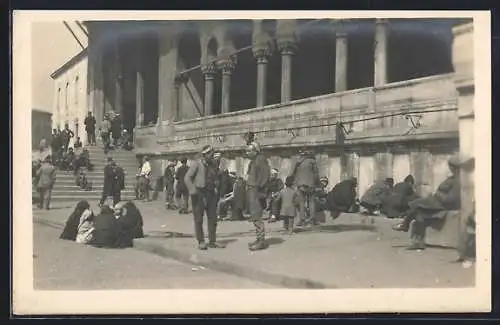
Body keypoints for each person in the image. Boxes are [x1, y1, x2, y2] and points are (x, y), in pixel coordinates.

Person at [392, 155, 462, 250]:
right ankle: (417, 242)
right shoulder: (453, 178)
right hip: (437, 204)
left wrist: (437, 195)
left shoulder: (458, 181)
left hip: (442, 207)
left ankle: (405, 225)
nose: (451, 168)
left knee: (417, 205)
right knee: (419, 213)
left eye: (452, 166)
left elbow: (451, 199)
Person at [184, 145, 224, 250]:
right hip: (199, 193)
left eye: (212, 153)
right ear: (205, 154)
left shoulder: (213, 164)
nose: (212, 155)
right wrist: (193, 191)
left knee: (212, 218)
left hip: (210, 193)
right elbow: (187, 178)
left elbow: (215, 176)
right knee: (198, 219)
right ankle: (201, 241)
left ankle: (212, 241)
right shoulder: (197, 163)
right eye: (210, 154)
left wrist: (216, 187)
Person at [245, 141, 271, 251]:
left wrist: (260, 189)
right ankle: (258, 238)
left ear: (256, 151)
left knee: (257, 216)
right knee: (254, 216)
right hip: (252, 189)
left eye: (250, 151)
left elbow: (265, 176)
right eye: (246, 151)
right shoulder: (255, 160)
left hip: (256, 190)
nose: (247, 153)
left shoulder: (260, 160)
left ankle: (261, 241)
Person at [289, 148, 320, 227]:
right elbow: (316, 174)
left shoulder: (298, 162)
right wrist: (317, 184)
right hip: (310, 184)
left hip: (300, 184)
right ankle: (312, 220)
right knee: (311, 201)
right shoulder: (312, 161)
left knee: (301, 202)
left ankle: (302, 220)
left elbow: (292, 173)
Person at [455, 155, 475, 267]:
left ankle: (468, 255)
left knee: (469, 230)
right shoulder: (466, 177)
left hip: (471, 205)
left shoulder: (474, 177)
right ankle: (464, 254)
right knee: (466, 230)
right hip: (468, 204)